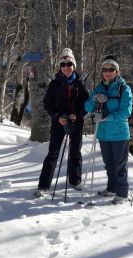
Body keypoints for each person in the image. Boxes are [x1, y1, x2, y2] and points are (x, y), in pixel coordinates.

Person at [34, 48, 89, 197]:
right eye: (63, 64)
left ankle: (75, 181)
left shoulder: (79, 84)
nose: (66, 67)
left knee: (75, 152)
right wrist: (57, 116)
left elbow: (87, 104)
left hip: (76, 122)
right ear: (60, 66)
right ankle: (43, 186)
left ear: (74, 65)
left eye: (69, 63)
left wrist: (78, 115)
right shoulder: (54, 84)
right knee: (53, 153)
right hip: (59, 122)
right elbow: (47, 104)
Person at [84, 55, 133, 205]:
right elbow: (87, 107)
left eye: (111, 69)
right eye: (105, 69)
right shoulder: (99, 88)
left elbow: (126, 112)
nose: (107, 72)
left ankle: (122, 193)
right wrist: (93, 99)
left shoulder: (124, 89)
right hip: (104, 134)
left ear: (117, 71)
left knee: (119, 165)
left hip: (119, 134)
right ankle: (111, 189)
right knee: (109, 164)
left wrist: (107, 118)